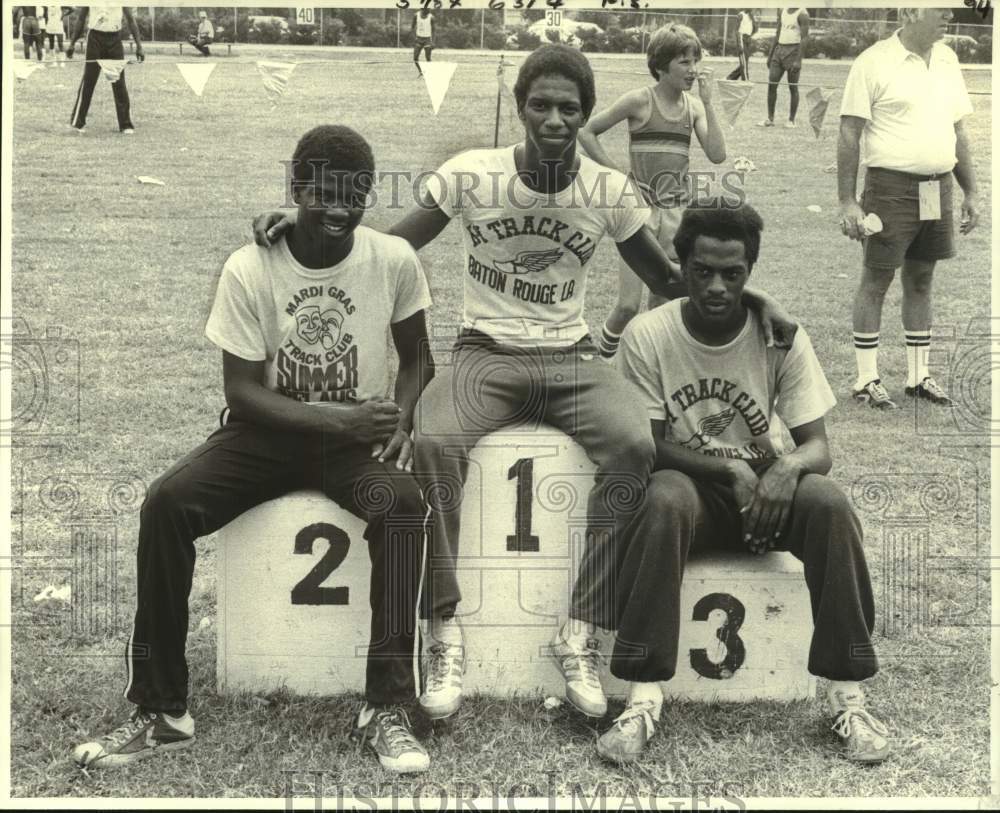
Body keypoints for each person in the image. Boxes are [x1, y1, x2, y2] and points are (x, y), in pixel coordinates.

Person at [253, 44, 794, 726]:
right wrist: (299, 225)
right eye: (540, 105)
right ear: (520, 108)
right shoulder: (472, 174)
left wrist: (759, 296)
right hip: (487, 352)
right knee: (436, 438)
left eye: (570, 107)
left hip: (570, 355)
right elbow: (391, 247)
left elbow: (669, 280)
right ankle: (444, 628)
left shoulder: (606, 190)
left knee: (634, 444)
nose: (555, 119)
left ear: (587, 114)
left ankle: (579, 629)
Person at [72, 125, 437, 774]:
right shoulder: (250, 265)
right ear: (295, 188)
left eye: (354, 194)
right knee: (167, 503)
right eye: (322, 192)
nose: (338, 208)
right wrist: (340, 419)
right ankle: (162, 708)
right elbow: (242, 393)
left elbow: (418, 360)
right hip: (266, 434)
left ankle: (387, 705)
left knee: (403, 505)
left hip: (353, 444)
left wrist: (402, 421)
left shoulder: (394, 260)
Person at [605, 200, 890, 766]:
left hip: (765, 491)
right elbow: (647, 444)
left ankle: (848, 695)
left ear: (749, 272)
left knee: (829, 505)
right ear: (680, 265)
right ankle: (641, 698)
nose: (716, 286)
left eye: (732, 274)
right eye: (702, 271)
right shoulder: (648, 334)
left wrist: (784, 469)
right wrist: (728, 468)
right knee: (660, 497)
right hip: (691, 490)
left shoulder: (779, 334)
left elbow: (818, 447)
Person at [838, 7, 978, 410]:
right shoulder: (874, 61)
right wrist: (848, 200)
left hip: (938, 187)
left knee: (921, 279)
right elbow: (849, 131)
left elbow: (958, 130)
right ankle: (867, 378)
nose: (950, 13)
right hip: (889, 188)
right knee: (876, 280)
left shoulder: (949, 60)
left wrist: (972, 192)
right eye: (942, 7)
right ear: (911, 11)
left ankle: (919, 376)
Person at [578, 23, 727, 360]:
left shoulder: (694, 107)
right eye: (684, 62)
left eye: (695, 61)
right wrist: (619, 177)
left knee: (665, 299)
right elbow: (587, 132)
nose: (692, 70)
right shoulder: (639, 101)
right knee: (628, 305)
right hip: (639, 214)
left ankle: (646, 365)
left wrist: (709, 102)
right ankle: (603, 360)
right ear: (661, 65)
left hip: (677, 214)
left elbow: (717, 154)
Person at [67, 5, 144, 135]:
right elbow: (81, 18)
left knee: (119, 81)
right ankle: (78, 122)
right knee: (88, 81)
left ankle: (125, 124)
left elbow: (131, 19)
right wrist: (72, 43)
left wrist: (139, 46)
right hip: (94, 38)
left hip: (114, 38)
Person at [759, 7, 809, 128]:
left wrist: (798, 60)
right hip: (779, 50)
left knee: (793, 87)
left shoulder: (803, 14)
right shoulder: (782, 11)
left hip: (793, 51)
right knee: (772, 84)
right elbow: (778, 33)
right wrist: (770, 55)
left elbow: (805, 38)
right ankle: (770, 119)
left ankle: (791, 120)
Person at [725, 9, 757, 81]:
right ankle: (745, 80)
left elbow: (754, 28)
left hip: (748, 39)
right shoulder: (741, 15)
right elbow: (736, 30)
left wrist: (750, 35)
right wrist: (739, 44)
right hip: (741, 39)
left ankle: (731, 77)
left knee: (745, 63)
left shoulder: (751, 15)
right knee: (744, 63)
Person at [411, 9, 434, 75]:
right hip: (419, 39)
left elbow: (434, 30)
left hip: (427, 39)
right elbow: (412, 27)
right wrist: (414, 37)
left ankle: (430, 72)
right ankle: (421, 72)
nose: (429, 10)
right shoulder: (416, 15)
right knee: (415, 58)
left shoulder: (431, 17)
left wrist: (433, 42)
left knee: (428, 57)